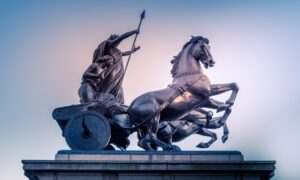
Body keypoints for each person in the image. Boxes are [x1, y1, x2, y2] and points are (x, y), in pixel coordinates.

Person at [92, 29, 140, 104]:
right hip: (112, 70)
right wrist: (134, 32)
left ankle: (113, 103)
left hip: (119, 72)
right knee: (107, 87)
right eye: (116, 38)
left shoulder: (116, 50)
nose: (118, 42)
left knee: (117, 90)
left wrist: (133, 51)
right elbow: (122, 37)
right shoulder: (108, 44)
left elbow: (125, 53)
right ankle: (100, 103)